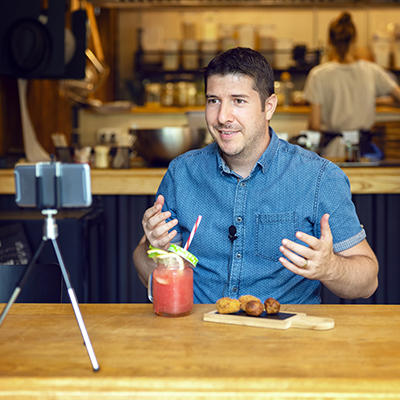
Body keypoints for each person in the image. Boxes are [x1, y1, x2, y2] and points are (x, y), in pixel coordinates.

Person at [133, 47, 378, 304]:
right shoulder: (181, 174)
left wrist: (330, 268)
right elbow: (144, 263)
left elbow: (368, 281)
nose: (222, 117)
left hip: (286, 336)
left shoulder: (318, 177)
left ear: (268, 106)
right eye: (213, 100)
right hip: (199, 334)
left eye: (238, 101)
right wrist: (154, 251)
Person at [303, 12, 400, 158]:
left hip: (332, 153)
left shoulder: (318, 74)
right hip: (364, 152)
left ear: (329, 40)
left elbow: (314, 125)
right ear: (355, 39)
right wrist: (371, 102)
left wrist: (373, 101)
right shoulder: (371, 70)